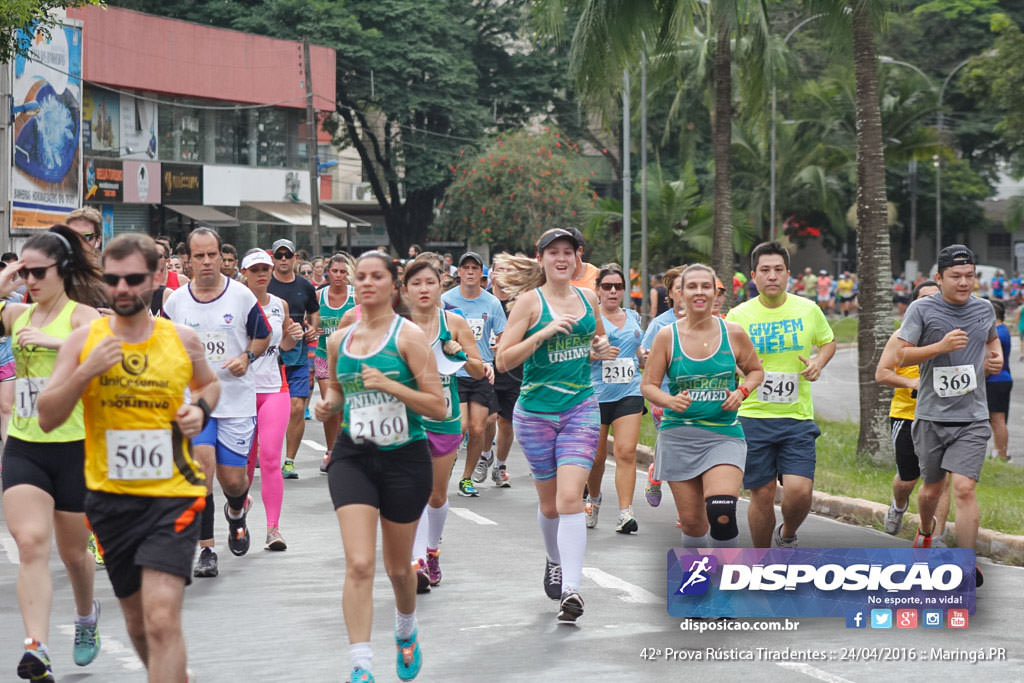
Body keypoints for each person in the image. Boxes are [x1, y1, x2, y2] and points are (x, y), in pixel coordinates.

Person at [37, 232, 220, 682]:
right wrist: (86, 371)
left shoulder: (183, 339)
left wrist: (199, 409)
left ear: (157, 278)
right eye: (113, 280)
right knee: (139, 625)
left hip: (173, 496)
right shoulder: (86, 341)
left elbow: (209, 384)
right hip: (109, 499)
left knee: (160, 619)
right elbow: (46, 416)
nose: (121, 289)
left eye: (133, 279)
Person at [314, 250, 444, 683]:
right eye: (361, 277)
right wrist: (327, 405)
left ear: (394, 285)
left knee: (397, 569)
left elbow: (438, 407)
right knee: (359, 564)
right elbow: (336, 391)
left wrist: (389, 384)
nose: (366, 283)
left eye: (376, 277)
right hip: (354, 455)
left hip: (404, 457)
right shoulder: (340, 340)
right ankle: (361, 666)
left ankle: (406, 630)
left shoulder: (408, 338)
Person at [495, 227, 615, 623]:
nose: (562, 259)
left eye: (569, 252)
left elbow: (596, 346)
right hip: (535, 414)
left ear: (578, 258)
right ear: (542, 258)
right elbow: (503, 361)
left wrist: (599, 351)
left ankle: (572, 591)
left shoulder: (589, 298)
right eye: (554, 253)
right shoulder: (529, 303)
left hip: (580, 407)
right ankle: (554, 560)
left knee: (569, 500)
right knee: (549, 505)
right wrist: (543, 333)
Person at [0, 226, 104, 681]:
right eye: (25, 273)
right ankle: (37, 647)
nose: (30, 281)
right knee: (30, 544)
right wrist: (3, 281)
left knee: (74, 554)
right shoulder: (18, 314)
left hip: (74, 447)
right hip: (26, 447)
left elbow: (104, 348)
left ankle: (86, 616)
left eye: (38, 272)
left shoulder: (82, 316)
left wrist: (53, 343)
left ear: (62, 270)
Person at [163, 228, 271, 578]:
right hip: (195, 401)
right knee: (201, 471)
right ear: (189, 259)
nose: (207, 262)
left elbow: (263, 334)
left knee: (233, 481)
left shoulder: (241, 297)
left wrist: (247, 357)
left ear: (222, 256)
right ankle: (206, 549)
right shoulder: (176, 302)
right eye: (199, 256)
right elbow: (162, 344)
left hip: (236, 400)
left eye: (212, 255)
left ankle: (236, 512)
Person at [890, 245, 999, 588]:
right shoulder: (922, 310)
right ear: (939, 278)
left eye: (969, 276)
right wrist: (939, 347)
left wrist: (995, 360)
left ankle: (967, 563)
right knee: (930, 491)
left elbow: (991, 343)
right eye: (956, 276)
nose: (964, 282)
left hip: (973, 417)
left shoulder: (985, 310)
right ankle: (925, 530)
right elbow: (898, 356)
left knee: (965, 488)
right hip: (931, 416)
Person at [642, 264, 764, 549]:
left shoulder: (733, 333)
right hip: (679, 437)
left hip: (723, 434)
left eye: (706, 287)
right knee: (693, 524)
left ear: (715, 293)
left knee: (721, 512)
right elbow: (648, 385)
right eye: (692, 287)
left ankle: (727, 585)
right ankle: (698, 584)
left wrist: (742, 391)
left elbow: (756, 371)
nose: (700, 292)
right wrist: (669, 400)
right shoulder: (666, 336)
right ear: (680, 294)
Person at [726, 241, 836, 548]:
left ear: (789, 274)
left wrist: (818, 363)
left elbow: (827, 342)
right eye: (765, 270)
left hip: (796, 417)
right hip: (753, 416)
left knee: (800, 491)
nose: (771, 276)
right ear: (753, 276)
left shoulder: (808, 309)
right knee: (761, 495)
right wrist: (738, 372)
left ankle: (787, 534)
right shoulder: (738, 315)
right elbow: (727, 355)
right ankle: (761, 562)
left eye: (778, 270)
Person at [403, 258, 485, 591]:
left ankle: (432, 550)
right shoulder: (396, 324)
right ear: (405, 289)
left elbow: (480, 371)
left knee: (436, 495)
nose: (423, 289)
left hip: (445, 418)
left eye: (429, 283)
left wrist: (460, 353)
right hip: (407, 418)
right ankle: (417, 561)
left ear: (441, 286)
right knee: (413, 493)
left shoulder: (454, 322)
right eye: (416, 283)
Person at [875, 280, 952, 542]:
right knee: (908, 480)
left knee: (942, 480)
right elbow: (882, 374)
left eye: (936, 298)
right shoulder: (901, 337)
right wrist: (911, 382)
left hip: (944, 416)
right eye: (924, 299)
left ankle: (936, 534)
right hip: (908, 416)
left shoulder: (952, 336)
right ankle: (898, 505)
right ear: (914, 306)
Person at [241, 249, 304, 550]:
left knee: (269, 460)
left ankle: (273, 529)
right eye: (255, 270)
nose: (262, 274)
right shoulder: (234, 303)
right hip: (240, 392)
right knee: (243, 464)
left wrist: (294, 334)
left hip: (274, 388)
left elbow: (286, 346)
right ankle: (237, 512)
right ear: (244, 274)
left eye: (265, 269)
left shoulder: (280, 304)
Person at [585, 264, 644, 534]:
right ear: (597, 290)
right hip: (596, 394)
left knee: (626, 451)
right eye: (607, 286)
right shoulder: (589, 318)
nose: (612, 291)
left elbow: (639, 351)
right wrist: (596, 355)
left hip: (629, 391)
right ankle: (594, 499)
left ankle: (625, 512)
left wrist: (644, 358)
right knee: (596, 458)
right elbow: (576, 354)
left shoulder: (633, 316)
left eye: (617, 287)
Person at [441, 252, 504, 497]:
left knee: (478, 429)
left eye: (474, 268)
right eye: (465, 267)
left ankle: (466, 478)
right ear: (459, 272)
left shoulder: (491, 303)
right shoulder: (446, 300)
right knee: (461, 427)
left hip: (480, 370)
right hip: (453, 372)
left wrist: (500, 351)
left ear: (481, 273)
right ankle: (448, 465)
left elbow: (502, 334)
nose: (469, 271)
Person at [267, 239, 320, 480]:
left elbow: (314, 311)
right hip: (269, 358)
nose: (284, 260)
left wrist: (312, 329)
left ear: (295, 258)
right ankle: (265, 454)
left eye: (288, 255)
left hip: (298, 356)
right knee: (267, 410)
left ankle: (289, 461)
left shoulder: (305, 286)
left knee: (298, 407)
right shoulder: (264, 284)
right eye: (279, 256)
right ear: (273, 259)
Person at [313, 253, 357, 473]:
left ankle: (346, 449)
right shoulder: (318, 296)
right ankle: (331, 452)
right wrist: (312, 328)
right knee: (331, 406)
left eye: (343, 272)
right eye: (335, 271)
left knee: (346, 407)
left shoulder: (355, 296)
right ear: (327, 272)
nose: (338, 276)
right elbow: (307, 320)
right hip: (324, 356)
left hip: (349, 359)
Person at [488, 255, 524, 487]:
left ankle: (500, 465)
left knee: (506, 423)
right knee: (487, 418)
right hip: (485, 368)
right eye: (498, 270)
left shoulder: (519, 304)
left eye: (506, 270)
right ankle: (483, 455)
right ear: (491, 274)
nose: (501, 275)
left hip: (512, 370)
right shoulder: (483, 301)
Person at [986, 300, 1012, 462]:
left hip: (996, 380)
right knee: (996, 420)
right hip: (1000, 379)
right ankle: (998, 452)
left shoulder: (998, 334)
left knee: (997, 419)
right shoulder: (1002, 330)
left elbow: (991, 358)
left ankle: (1001, 454)